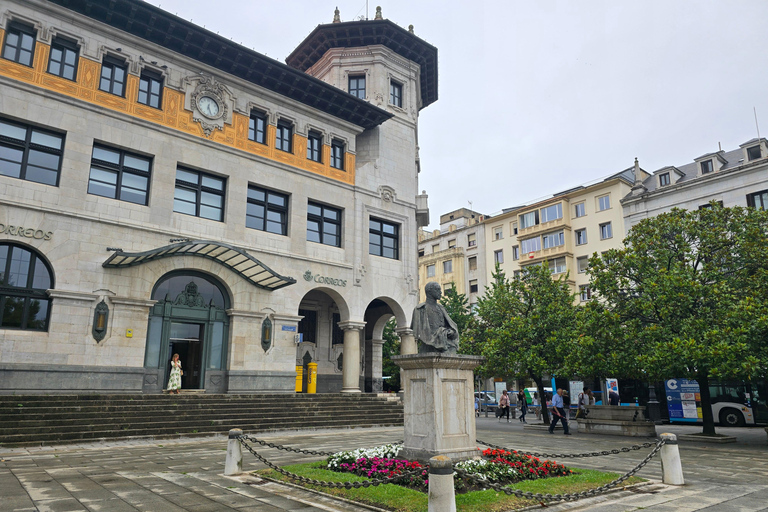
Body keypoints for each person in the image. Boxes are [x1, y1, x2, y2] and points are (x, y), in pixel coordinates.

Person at [411, 282, 459, 354]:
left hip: (444, 339)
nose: (440, 292)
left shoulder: (441, 308)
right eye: (437, 290)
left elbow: (450, 325)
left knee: (452, 349)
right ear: (430, 292)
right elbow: (417, 330)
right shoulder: (420, 309)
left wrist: (451, 331)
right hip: (429, 342)